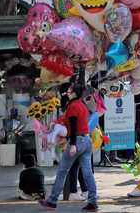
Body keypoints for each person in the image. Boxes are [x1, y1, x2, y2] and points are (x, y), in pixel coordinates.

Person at [39, 83, 98, 212]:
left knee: (62, 171)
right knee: (88, 173)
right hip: (86, 140)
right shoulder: (82, 105)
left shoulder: (72, 107)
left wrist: (72, 144)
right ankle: (93, 202)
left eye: (70, 90)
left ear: (74, 93)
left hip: (77, 141)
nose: (68, 92)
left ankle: (52, 201)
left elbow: (73, 126)